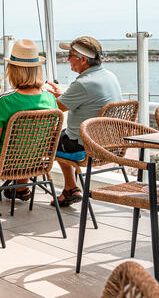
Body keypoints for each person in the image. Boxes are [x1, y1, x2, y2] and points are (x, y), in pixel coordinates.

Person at [0, 40, 58, 200]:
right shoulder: (50, 99)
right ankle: (20, 187)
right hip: (35, 162)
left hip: (3, 164)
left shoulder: (5, 101)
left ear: (13, 70)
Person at [46, 36, 122, 206]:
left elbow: (55, 109)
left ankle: (20, 187)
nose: (67, 59)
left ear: (83, 60)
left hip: (85, 147)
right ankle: (71, 189)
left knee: (41, 141)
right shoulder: (108, 75)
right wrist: (63, 95)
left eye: (71, 55)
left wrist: (44, 97)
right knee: (62, 136)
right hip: (110, 143)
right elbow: (85, 99)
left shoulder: (83, 83)